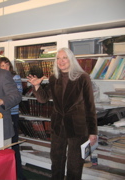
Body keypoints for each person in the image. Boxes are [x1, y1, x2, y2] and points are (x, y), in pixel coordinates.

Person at [27, 47, 98, 180]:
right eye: (58, 58)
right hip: (58, 125)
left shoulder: (83, 77)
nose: (61, 61)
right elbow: (43, 99)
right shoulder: (54, 78)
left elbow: (90, 106)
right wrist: (37, 86)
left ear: (71, 59)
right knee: (57, 159)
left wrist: (92, 131)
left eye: (64, 57)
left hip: (77, 126)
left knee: (75, 163)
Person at [0, 57, 25, 180]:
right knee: (1, 144)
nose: (5, 68)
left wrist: (2, 100)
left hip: (12, 114)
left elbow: (17, 96)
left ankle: (18, 174)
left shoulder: (15, 77)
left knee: (13, 144)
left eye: (7, 65)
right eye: (2, 65)